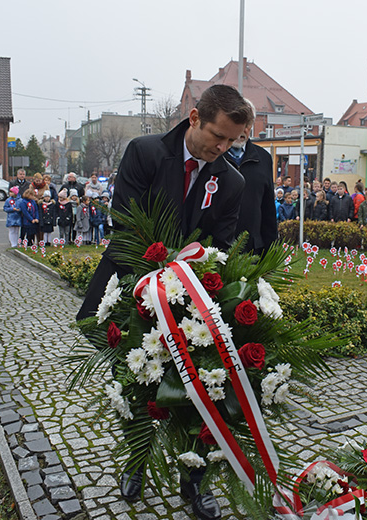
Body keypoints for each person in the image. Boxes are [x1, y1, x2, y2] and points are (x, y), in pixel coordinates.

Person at [76, 85, 252, 520]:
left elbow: (220, 246)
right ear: (194, 118)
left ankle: (194, 483)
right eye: (219, 135)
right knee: (137, 384)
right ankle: (137, 459)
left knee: (203, 390)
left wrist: (199, 291)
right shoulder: (146, 153)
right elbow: (125, 223)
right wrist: (155, 286)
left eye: (234, 141)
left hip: (191, 300)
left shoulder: (231, 180)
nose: (224, 148)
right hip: (133, 286)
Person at [224, 109, 278, 254]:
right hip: (218, 247)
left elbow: (268, 209)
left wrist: (270, 251)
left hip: (253, 249)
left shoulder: (264, 158)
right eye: (238, 123)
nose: (242, 130)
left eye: (247, 125)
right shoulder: (214, 154)